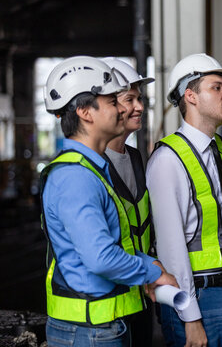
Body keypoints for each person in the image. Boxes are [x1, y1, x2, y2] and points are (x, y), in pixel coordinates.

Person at [40, 56, 178, 346]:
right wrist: (152, 272)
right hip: (89, 330)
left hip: (101, 325)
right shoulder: (76, 177)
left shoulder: (91, 170)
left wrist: (148, 261)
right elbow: (100, 258)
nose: (123, 109)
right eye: (113, 102)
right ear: (85, 112)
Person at [146, 53, 222, 347]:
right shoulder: (167, 159)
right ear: (191, 96)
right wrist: (190, 316)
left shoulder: (219, 149)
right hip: (197, 297)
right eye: (216, 87)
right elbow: (171, 247)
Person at [102, 57, 156, 347]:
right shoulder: (91, 166)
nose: (140, 107)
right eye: (130, 99)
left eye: (140, 98)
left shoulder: (136, 158)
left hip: (140, 303)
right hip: (108, 310)